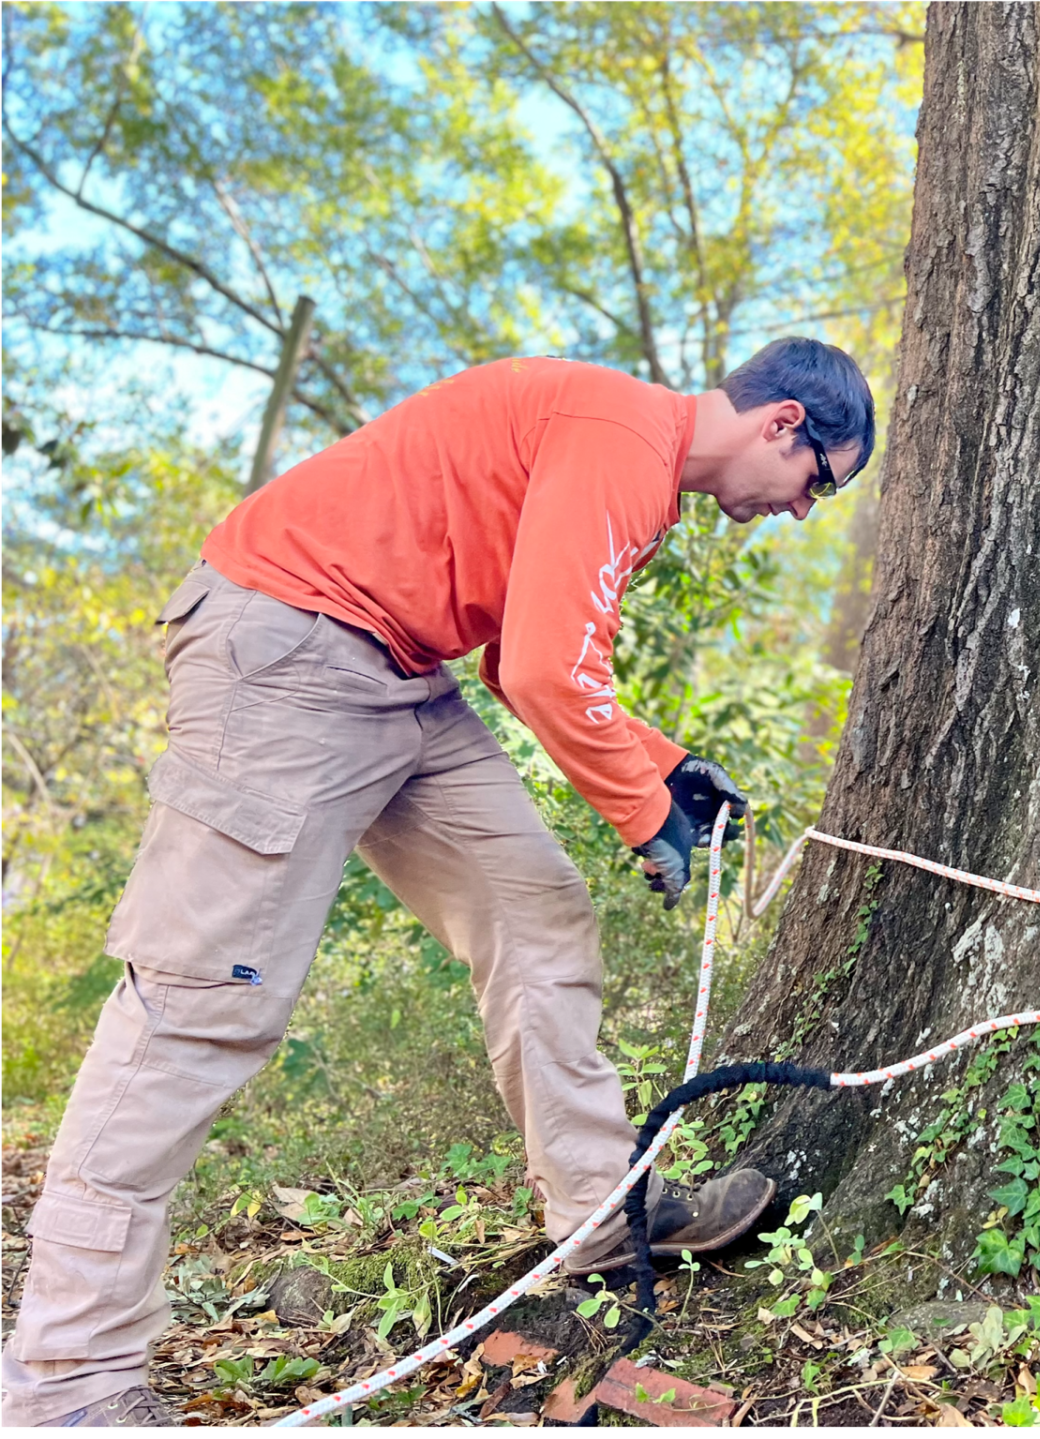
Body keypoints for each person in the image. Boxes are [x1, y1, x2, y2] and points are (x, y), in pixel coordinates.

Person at [0, 338, 874, 1428]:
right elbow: (552, 673)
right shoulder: (621, 441)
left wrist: (662, 764)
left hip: (403, 675)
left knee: (536, 912)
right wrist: (647, 818)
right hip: (288, 651)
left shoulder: (636, 471)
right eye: (818, 484)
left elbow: (524, 657)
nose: (803, 510)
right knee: (200, 1000)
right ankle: (66, 1381)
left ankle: (605, 1215)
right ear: (783, 423)